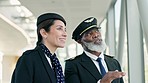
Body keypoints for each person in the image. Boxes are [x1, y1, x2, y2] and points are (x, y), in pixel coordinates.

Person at [64, 17, 125, 83]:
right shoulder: (73, 65)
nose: (96, 35)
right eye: (89, 34)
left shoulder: (114, 62)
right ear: (79, 41)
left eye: (97, 31)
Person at [11, 13, 67, 83]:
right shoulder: (29, 58)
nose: (65, 34)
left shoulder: (55, 62)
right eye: (59, 28)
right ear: (44, 33)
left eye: (65, 30)